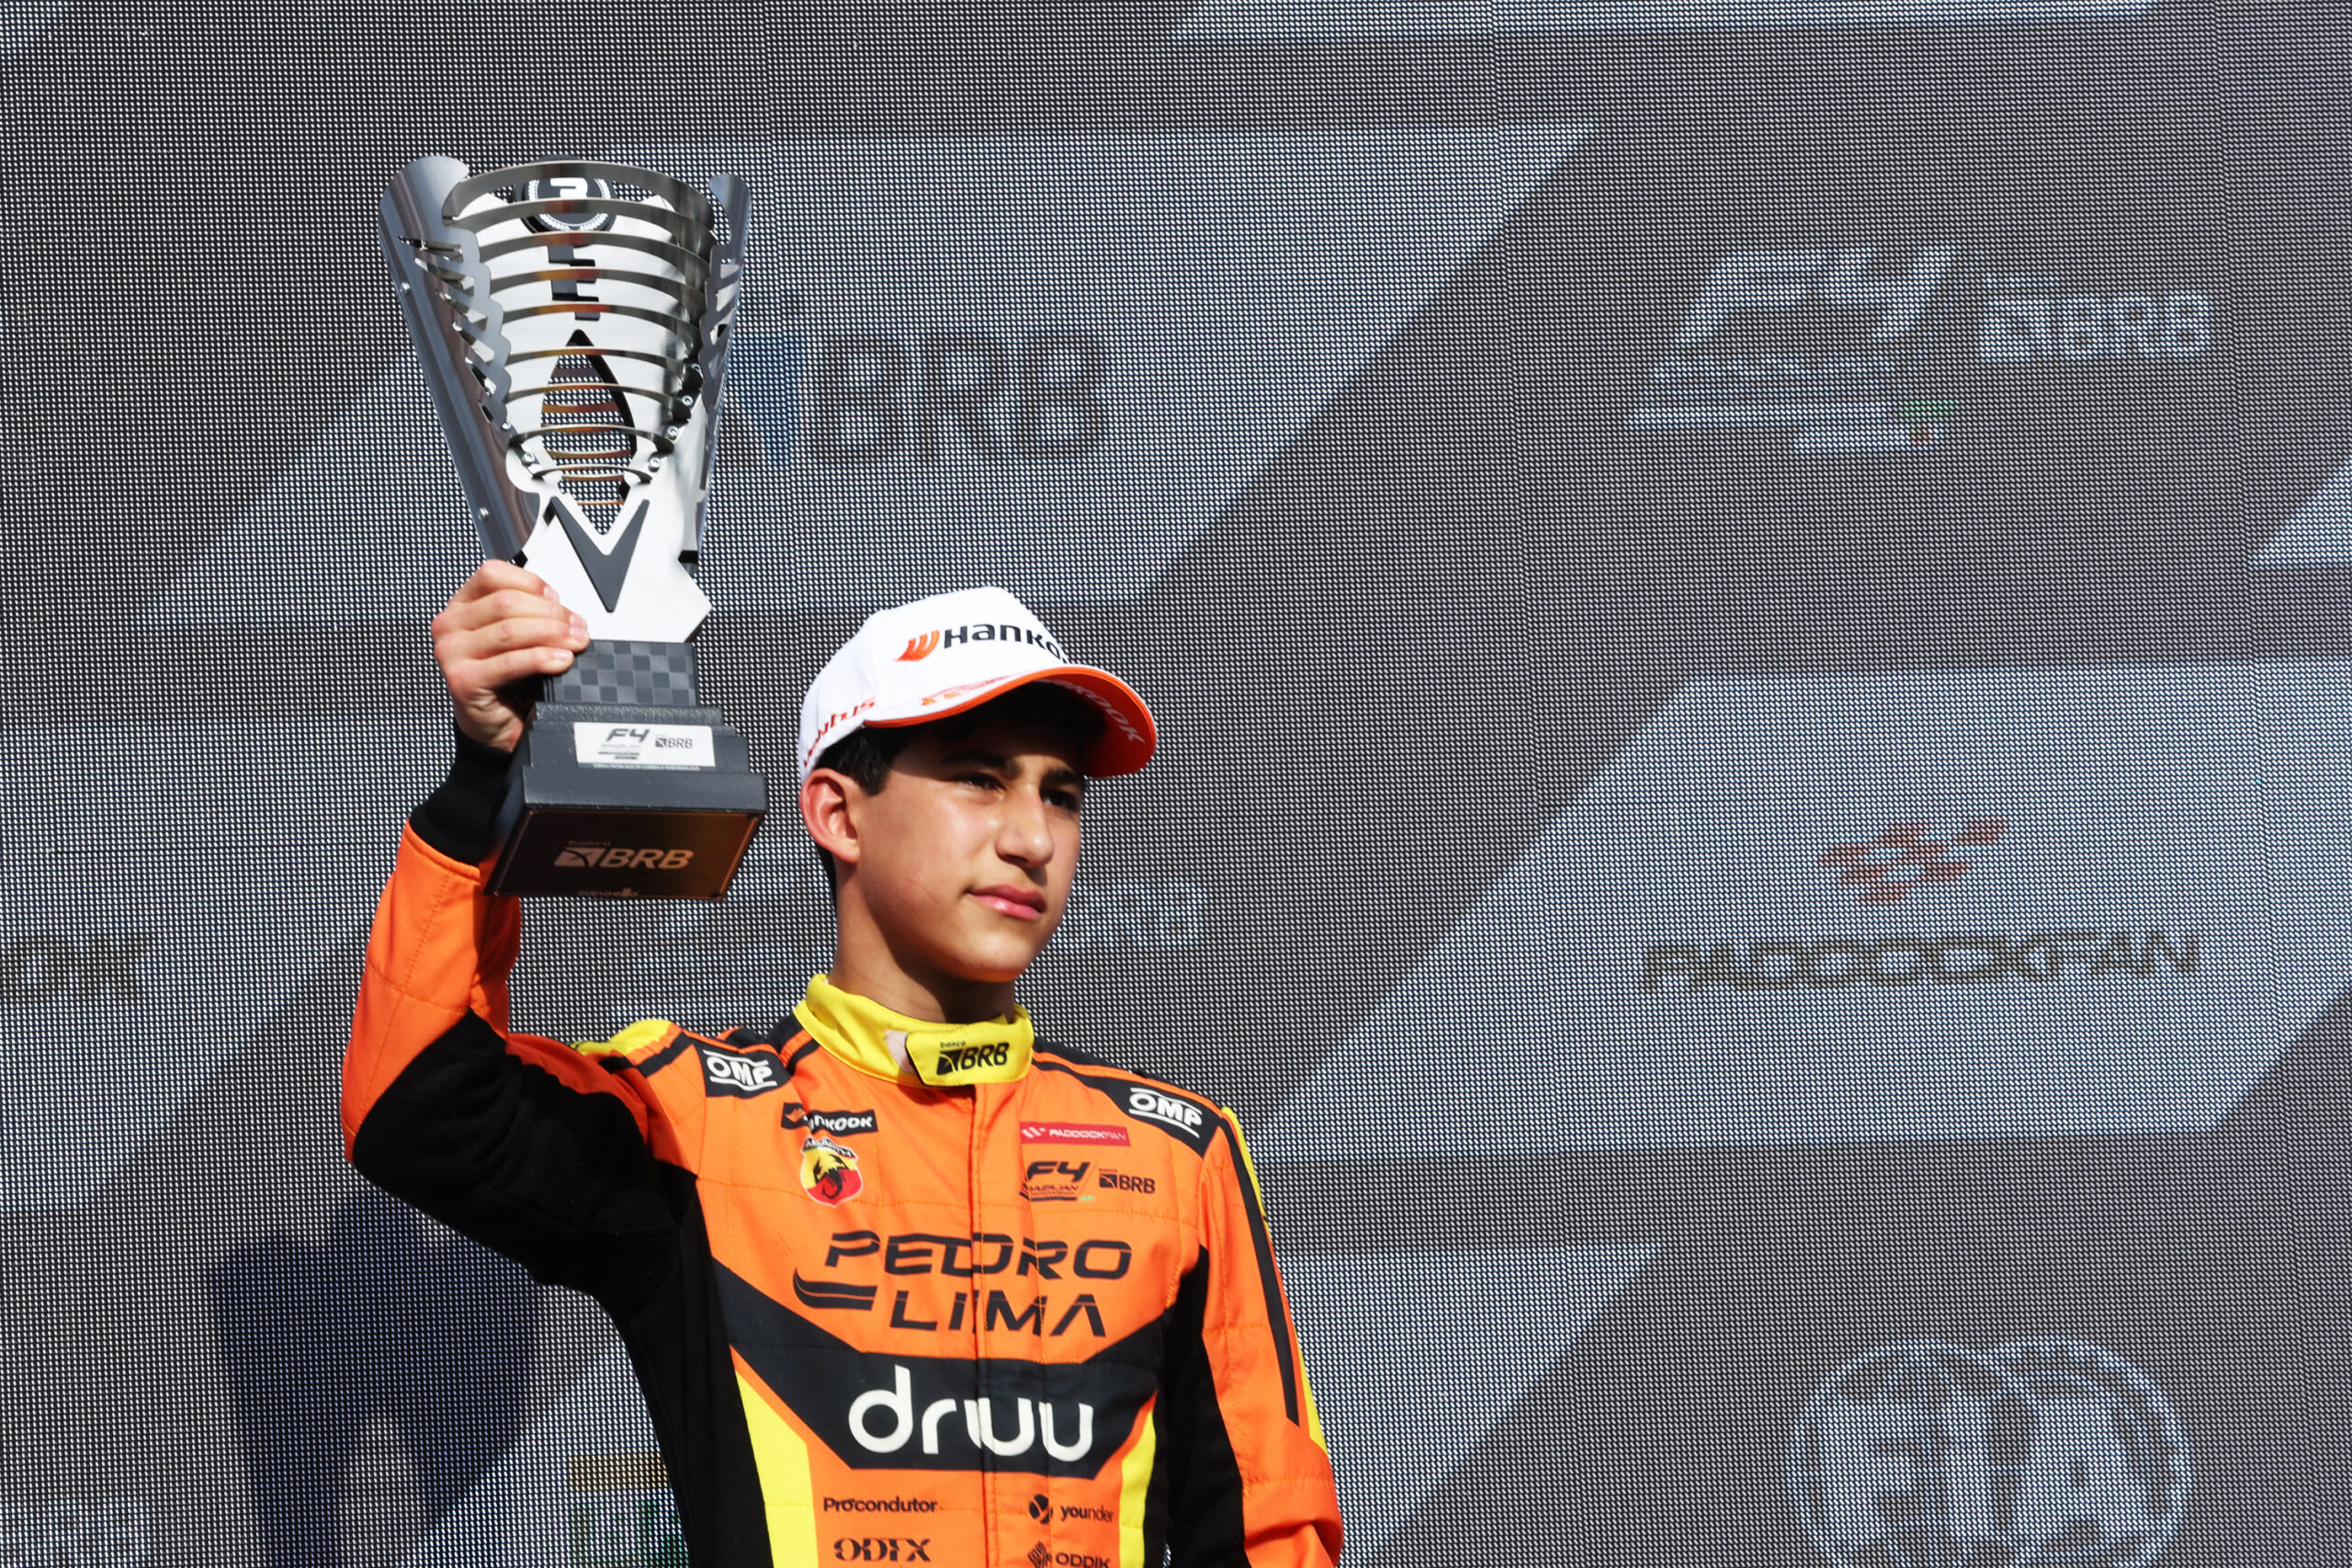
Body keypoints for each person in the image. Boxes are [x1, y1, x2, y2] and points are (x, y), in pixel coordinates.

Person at [343, 560, 1343, 1568]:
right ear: (836, 814)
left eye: (1062, 795)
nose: (1034, 838)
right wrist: (485, 782)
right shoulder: (698, 1120)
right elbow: (415, 1104)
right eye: (978, 778)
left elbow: (1268, 1527)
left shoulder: (1176, 1152)